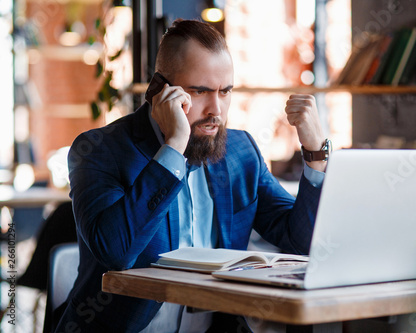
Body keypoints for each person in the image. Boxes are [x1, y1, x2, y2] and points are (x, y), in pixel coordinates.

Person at [55, 19, 329, 332]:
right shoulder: (100, 150)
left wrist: (315, 153)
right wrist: (173, 148)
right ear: (159, 90)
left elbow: (300, 241)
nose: (216, 110)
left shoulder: (240, 152)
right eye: (199, 91)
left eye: (225, 92)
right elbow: (116, 252)